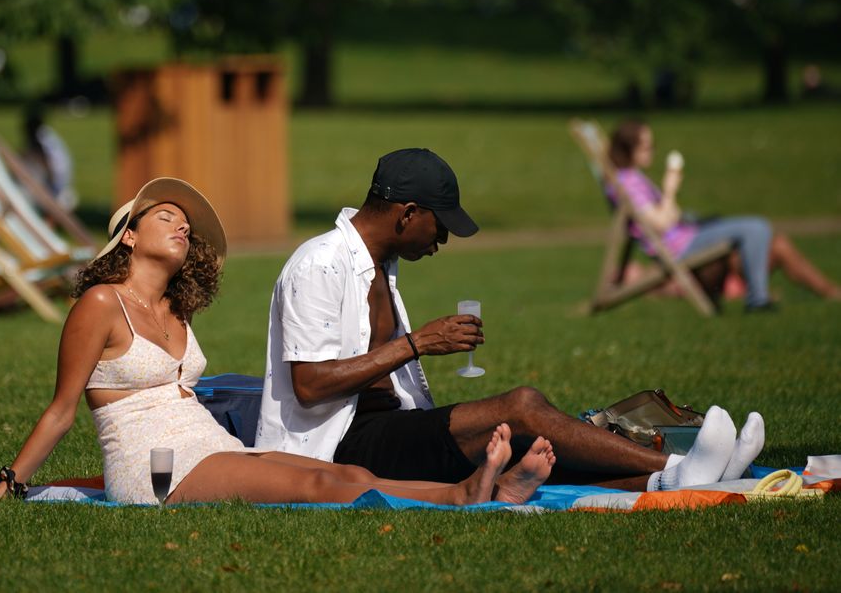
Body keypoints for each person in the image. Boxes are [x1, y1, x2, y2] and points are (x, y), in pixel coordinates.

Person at [0, 177, 556, 506]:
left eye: (186, 223)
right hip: (152, 465)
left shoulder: (173, 309)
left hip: (208, 445)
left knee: (347, 475)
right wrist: (11, 482)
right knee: (313, 483)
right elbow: (63, 410)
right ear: (130, 236)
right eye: (166, 217)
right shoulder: (99, 305)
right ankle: (466, 496)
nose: (182, 226)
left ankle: (469, 489)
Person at [256, 148, 766, 492]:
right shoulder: (319, 263)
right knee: (521, 407)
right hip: (334, 448)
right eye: (441, 225)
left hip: (386, 430)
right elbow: (309, 385)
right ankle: (677, 468)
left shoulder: (377, 264)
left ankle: (681, 480)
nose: (444, 241)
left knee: (534, 443)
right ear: (407, 214)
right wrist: (417, 343)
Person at [608, 120, 841, 311]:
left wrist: (671, 201)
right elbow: (661, 222)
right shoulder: (628, 183)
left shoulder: (633, 179)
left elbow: (671, 215)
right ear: (629, 149)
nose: (653, 151)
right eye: (647, 147)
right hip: (681, 246)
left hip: (687, 235)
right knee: (756, 227)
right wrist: (670, 189)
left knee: (774, 241)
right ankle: (758, 299)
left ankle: (825, 292)